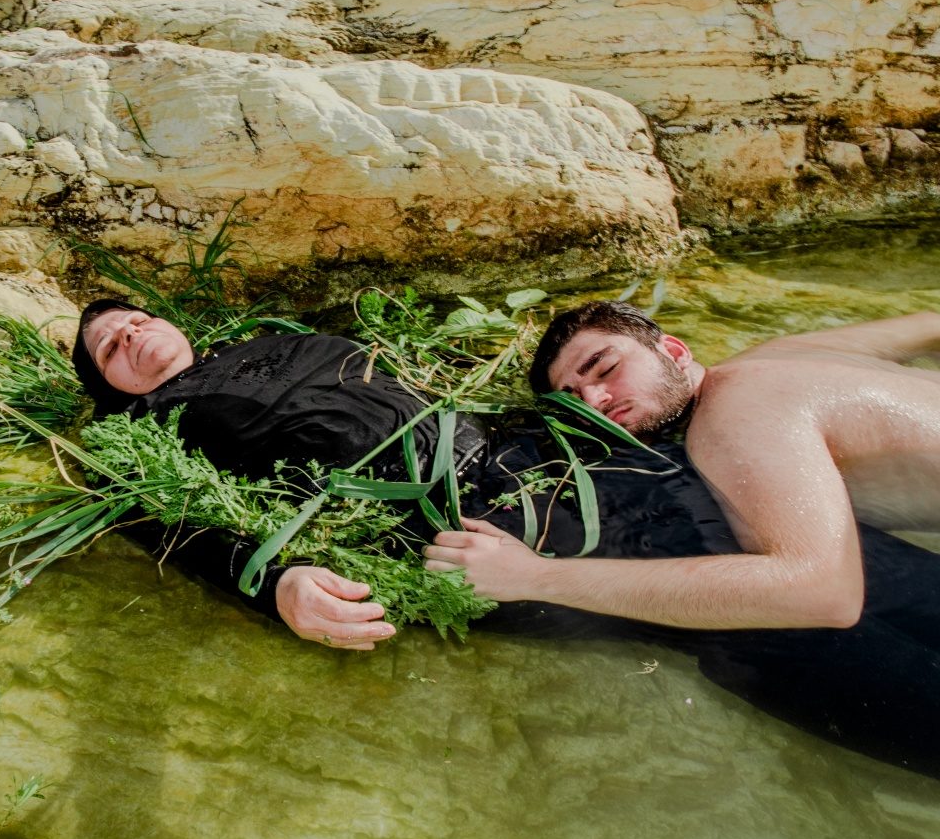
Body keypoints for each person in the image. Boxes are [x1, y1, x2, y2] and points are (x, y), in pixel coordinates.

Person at [72, 298, 940, 778]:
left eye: (136, 318)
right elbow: (169, 519)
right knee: (769, 630)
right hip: (492, 525)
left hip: (600, 467)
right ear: (109, 390)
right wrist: (278, 580)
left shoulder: (283, 336)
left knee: (863, 572)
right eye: (110, 347)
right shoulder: (141, 431)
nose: (132, 335)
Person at [425, 302, 940, 632]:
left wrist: (536, 577)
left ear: (673, 349)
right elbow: (927, 324)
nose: (598, 398)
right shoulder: (785, 353)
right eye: (575, 398)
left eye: (606, 368)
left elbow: (823, 592)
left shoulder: (734, 417)